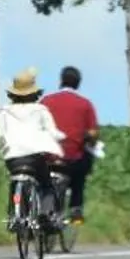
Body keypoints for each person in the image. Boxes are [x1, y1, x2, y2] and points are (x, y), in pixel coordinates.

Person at [0, 67, 65, 227]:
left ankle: (14, 213)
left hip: (12, 158)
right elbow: (53, 132)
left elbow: (0, 135)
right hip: (34, 158)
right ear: (35, 93)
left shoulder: (4, 112)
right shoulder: (40, 110)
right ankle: (45, 213)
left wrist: (5, 151)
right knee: (46, 185)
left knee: (14, 180)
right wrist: (62, 139)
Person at [40, 65, 101, 224]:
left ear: (61, 81)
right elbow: (93, 133)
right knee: (82, 170)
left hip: (48, 157)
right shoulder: (85, 104)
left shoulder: (46, 101)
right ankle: (76, 208)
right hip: (71, 159)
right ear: (78, 83)